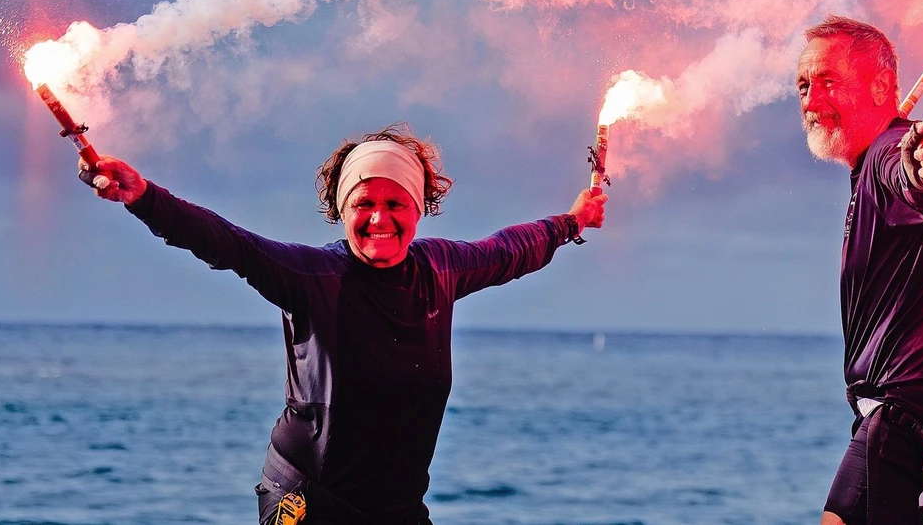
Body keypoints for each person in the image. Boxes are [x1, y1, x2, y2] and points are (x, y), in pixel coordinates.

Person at [80, 123, 608, 525]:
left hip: (396, 507)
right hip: (307, 500)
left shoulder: (442, 269)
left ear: (419, 207)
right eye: (364, 203)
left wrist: (574, 221)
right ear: (342, 208)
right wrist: (144, 197)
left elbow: (510, 248)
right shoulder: (313, 276)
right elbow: (227, 243)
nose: (380, 218)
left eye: (395, 203)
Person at [795, 16, 923, 525]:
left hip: (912, 423)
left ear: (880, 87)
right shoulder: (871, 163)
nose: (810, 99)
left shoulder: (889, 154)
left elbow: (915, 176)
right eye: (803, 85)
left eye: (827, 80)